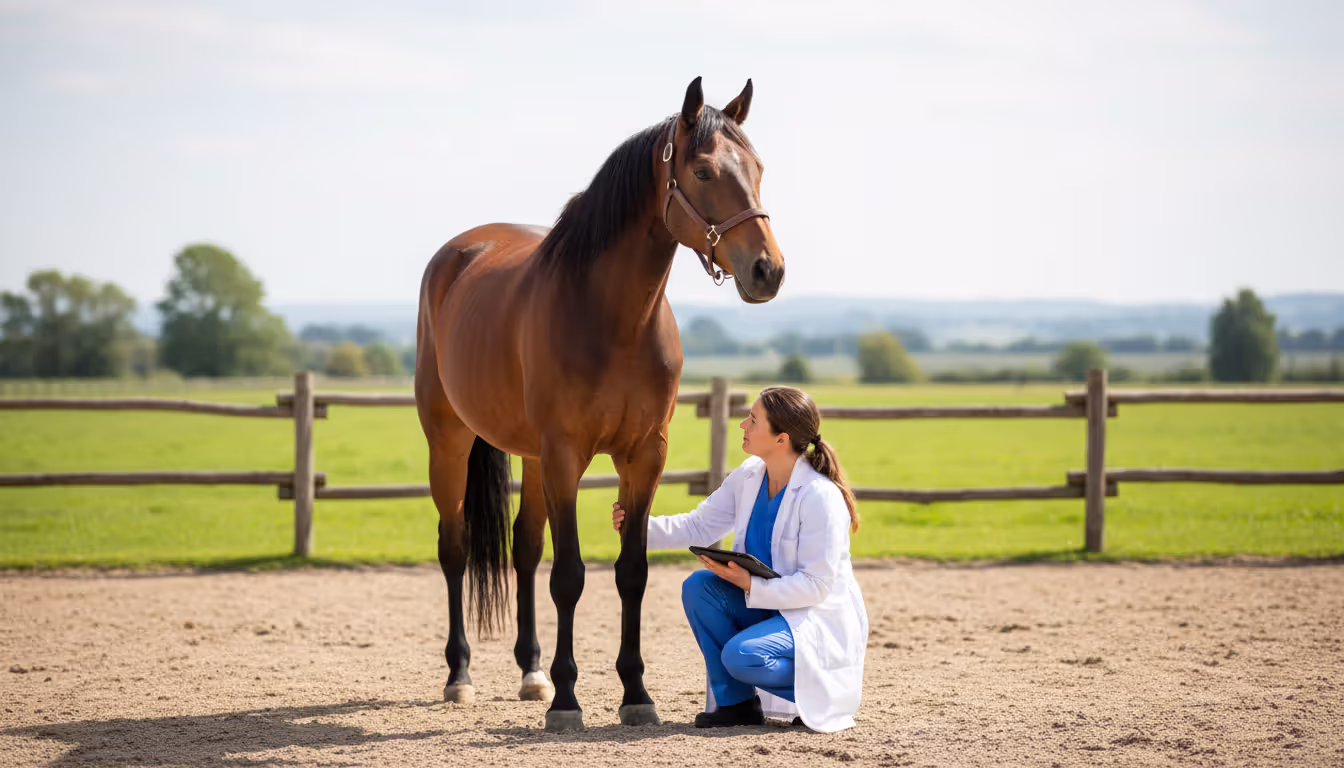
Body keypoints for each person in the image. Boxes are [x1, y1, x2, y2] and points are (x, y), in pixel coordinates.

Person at [611, 386, 869, 733]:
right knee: (700, 587)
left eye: (753, 420)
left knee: (742, 656)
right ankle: (736, 705)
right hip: (770, 605)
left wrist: (750, 584)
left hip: (812, 614)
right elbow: (699, 525)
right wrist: (637, 527)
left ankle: (828, 691)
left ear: (781, 438)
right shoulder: (749, 475)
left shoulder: (820, 496)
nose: (743, 426)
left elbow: (817, 586)